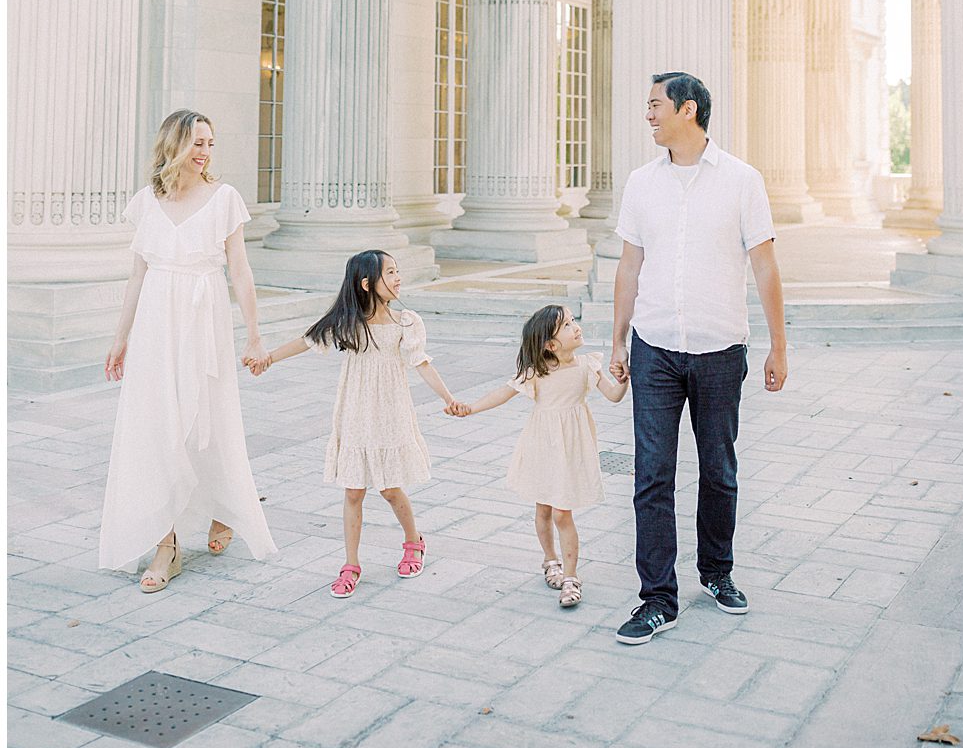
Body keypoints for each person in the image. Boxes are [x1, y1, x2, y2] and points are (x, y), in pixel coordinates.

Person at [611, 72, 787, 646]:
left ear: (688, 110)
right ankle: (657, 599)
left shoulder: (741, 181)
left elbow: (764, 266)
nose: (648, 115)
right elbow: (629, 266)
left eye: (655, 105)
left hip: (719, 348)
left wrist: (778, 346)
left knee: (719, 471)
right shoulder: (640, 183)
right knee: (651, 476)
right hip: (654, 346)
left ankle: (717, 573)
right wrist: (617, 340)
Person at [100, 110, 276, 590]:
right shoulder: (145, 203)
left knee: (207, 422)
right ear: (174, 145)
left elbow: (240, 271)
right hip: (157, 323)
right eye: (197, 142)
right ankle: (166, 542)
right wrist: (121, 338)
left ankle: (226, 508)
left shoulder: (224, 199)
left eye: (210, 144)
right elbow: (137, 276)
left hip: (203, 320)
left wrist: (254, 333)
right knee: (157, 426)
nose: (204, 152)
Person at [248, 249, 462, 597]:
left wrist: (449, 398)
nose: (397, 278)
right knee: (353, 490)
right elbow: (306, 341)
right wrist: (268, 359)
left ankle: (414, 541)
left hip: (390, 412)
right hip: (356, 413)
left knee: (391, 488)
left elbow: (421, 363)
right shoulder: (347, 323)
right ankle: (351, 563)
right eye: (390, 272)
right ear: (367, 283)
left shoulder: (406, 322)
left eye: (397, 271)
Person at [451, 303, 628, 608]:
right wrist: (470, 408)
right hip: (542, 444)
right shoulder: (538, 371)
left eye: (574, 321)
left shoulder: (588, 365)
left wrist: (625, 379)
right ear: (550, 344)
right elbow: (503, 393)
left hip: (571, 447)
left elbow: (613, 396)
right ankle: (551, 561)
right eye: (568, 325)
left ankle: (571, 577)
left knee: (562, 512)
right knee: (544, 509)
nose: (577, 327)